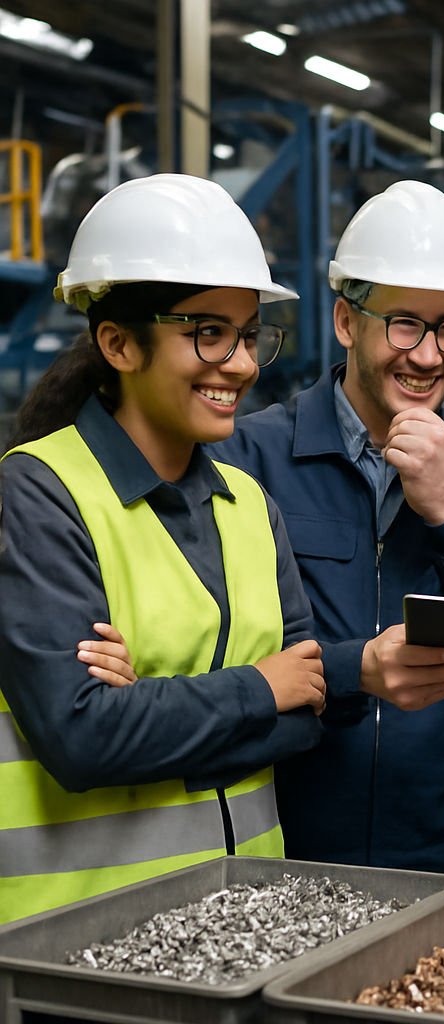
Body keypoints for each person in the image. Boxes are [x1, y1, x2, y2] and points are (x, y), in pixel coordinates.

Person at [0, 174, 326, 924]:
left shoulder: (252, 506)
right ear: (117, 342)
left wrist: (149, 704)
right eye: (208, 333)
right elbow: (81, 739)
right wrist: (254, 691)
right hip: (85, 940)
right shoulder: (40, 493)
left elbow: (306, 708)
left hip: (247, 927)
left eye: (249, 335)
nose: (242, 364)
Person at [213, 180, 444, 882]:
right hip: (287, 838)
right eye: (404, 324)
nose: (428, 356)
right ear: (345, 321)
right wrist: (351, 670)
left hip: (443, 848)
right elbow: (222, 652)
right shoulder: (250, 457)